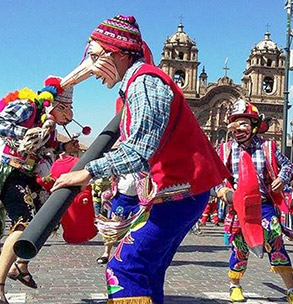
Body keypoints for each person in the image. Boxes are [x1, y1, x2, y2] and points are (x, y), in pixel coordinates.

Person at [51, 15, 229, 304]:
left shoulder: (145, 82)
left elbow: (139, 150)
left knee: (125, 269)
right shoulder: (139, 80)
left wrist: (86, 172)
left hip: (179, 194)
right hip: (177, 193)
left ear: (117, 53)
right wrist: (67, 85)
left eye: (96, 57)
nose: (93, 70)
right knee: (149, 271)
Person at [0, 77, 79, 304]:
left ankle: (20, 265)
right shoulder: (28, 107)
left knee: (48, 219)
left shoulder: (48, 123)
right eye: (68, 110)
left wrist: (64, 147)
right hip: (9, 173)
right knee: (23, 224)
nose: (69, 117)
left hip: (30, 176)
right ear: (59, 105)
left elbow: (46, 147)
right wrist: (24, 133)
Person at [216, 99, 293, 304]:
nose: (238, 128)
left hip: (264, 206)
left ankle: (291, 290)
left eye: (244, 123)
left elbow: (287, 166)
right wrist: (225, 192)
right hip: (239, 208)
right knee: (239, 247)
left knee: (276, 244)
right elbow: (216, 176)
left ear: (254, 125)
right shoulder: (225, 149)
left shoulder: (268, 146)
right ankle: (235, 286)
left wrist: (281, 180)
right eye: (235, 122)